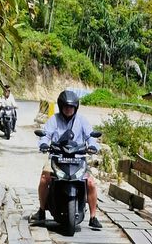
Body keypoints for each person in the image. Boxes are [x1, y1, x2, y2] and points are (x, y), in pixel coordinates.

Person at [30, 90, 102, 231]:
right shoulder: (54, 120)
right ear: (61, 106)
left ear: (76, 107)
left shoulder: (82, 120)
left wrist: (93, 146)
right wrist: (44, 144)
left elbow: (90, 136)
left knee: (91, 183)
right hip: (57, 157)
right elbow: (45, 135)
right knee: (44, 178)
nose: (68, 109)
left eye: (71, 107)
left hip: (78, 158)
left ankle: (93, 217)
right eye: (66, 106)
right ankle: (41, 210)